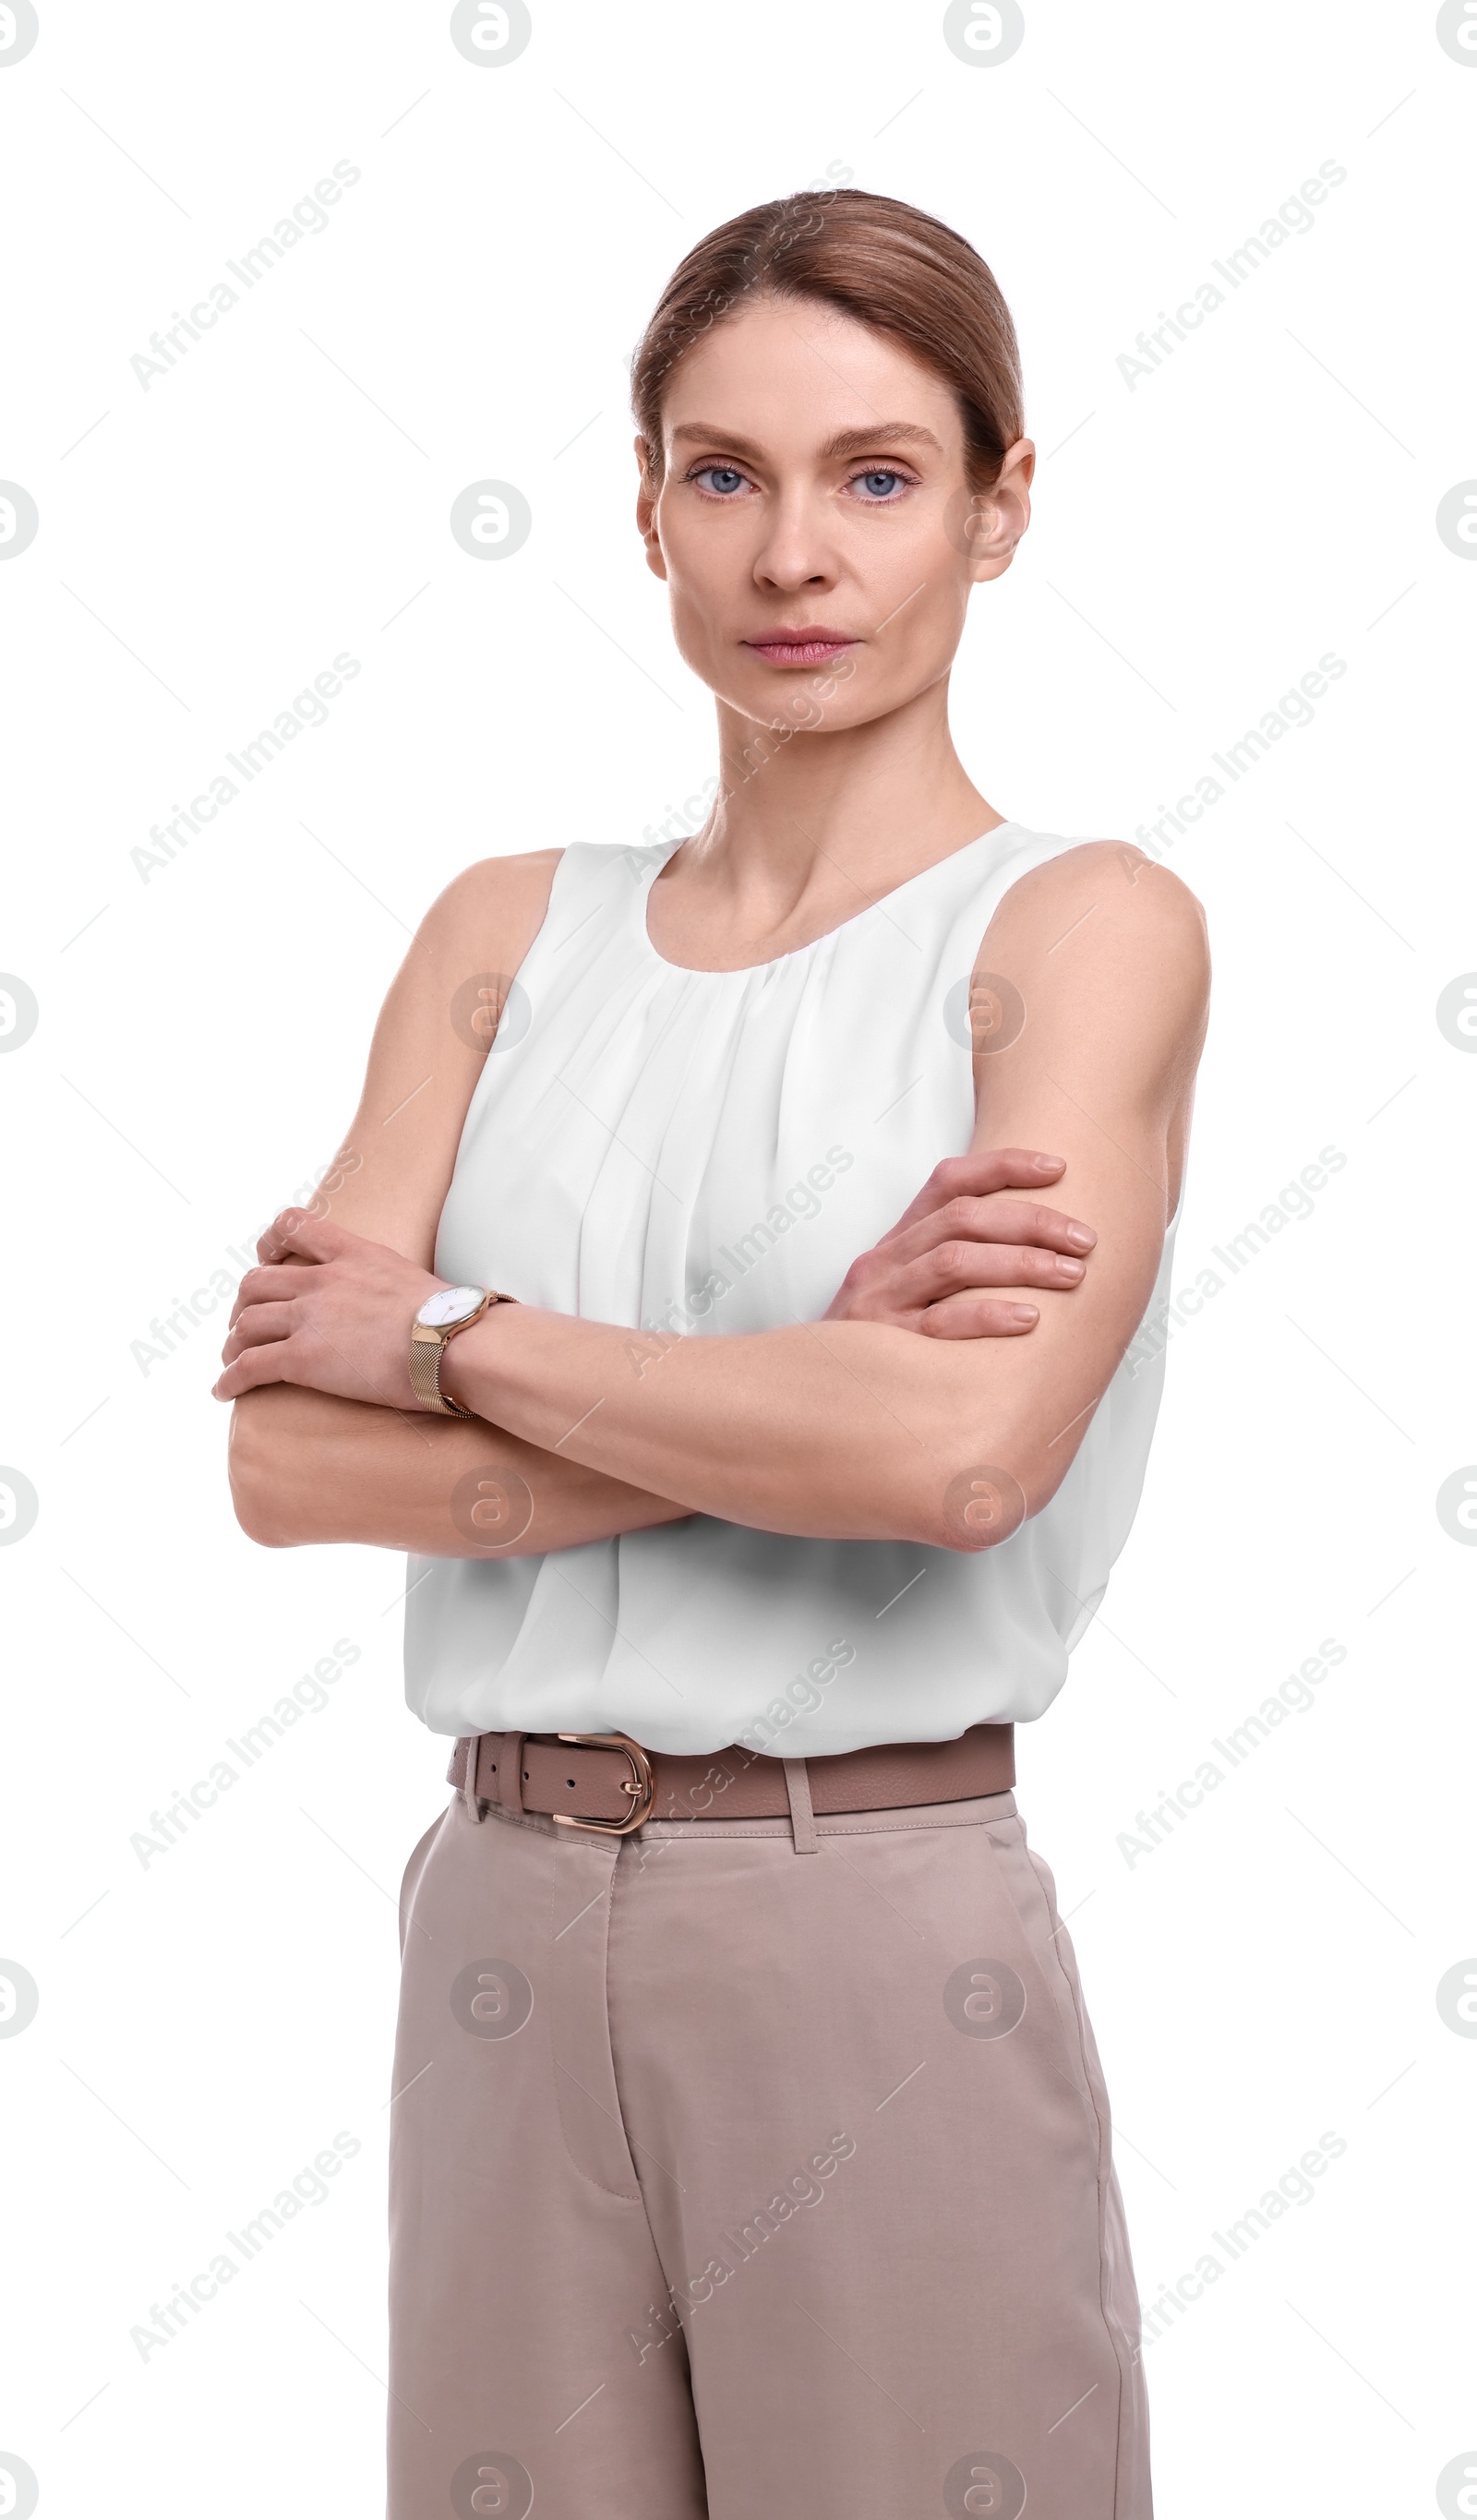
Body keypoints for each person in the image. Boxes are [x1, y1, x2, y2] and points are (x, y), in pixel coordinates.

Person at [215, 187, 1208, 2520]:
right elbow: (278, 1461)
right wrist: (793, 1393)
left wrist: (447, 1338)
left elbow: (962, 1456)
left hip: (861, 1922)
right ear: (646, 505)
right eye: (723, 474)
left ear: (999, 505)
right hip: (497, 1910)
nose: (793, 555)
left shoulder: (1079, 933)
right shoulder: (499, 932)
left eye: (875, 475)